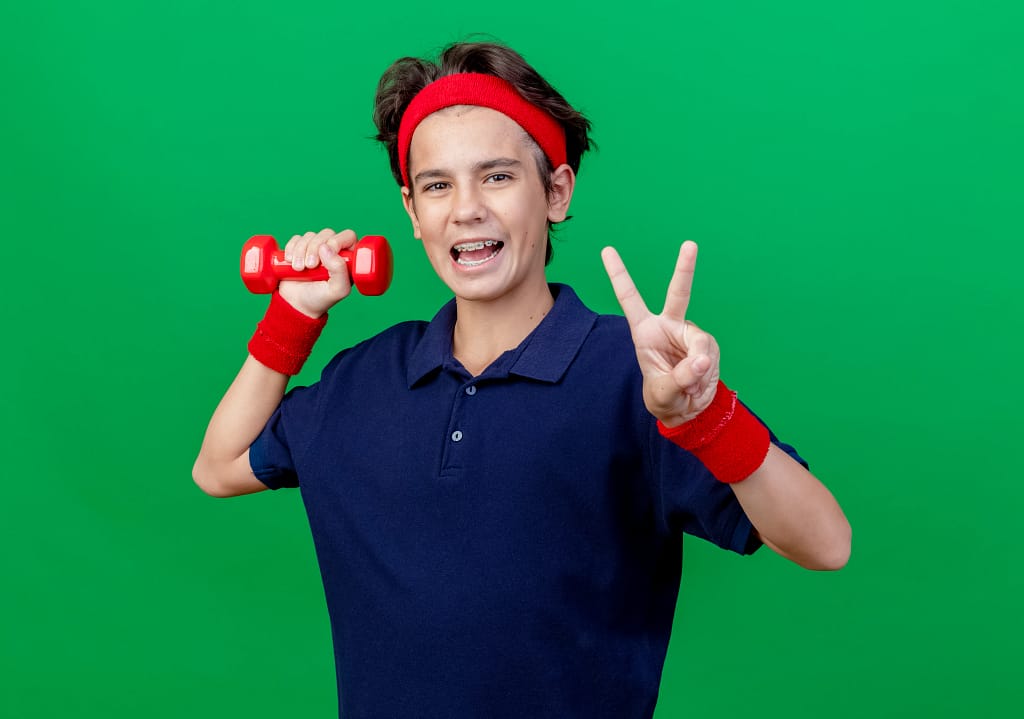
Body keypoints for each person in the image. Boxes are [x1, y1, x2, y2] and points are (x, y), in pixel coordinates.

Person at [193, 40, 851, 718]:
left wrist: (704, 417)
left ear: (556, 192)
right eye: (437, 185)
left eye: (498, 176)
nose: (466, 208)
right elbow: (217, 466)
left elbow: (826, 542)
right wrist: (293, 314)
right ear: (413, 213)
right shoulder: (363, 380)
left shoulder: (640, 380)